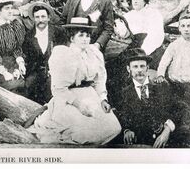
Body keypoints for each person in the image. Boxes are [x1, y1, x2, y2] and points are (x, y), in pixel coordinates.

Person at [27, 17, 121, 145]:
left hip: (90, 95)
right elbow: (58, 89)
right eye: (80, 35)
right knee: (84, 131)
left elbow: (99, 80)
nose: (85, 39)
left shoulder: (94, 53)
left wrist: (103, 98)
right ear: (72, 38)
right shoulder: (63, 54)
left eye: (87, 36)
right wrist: (79, 105)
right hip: (68, 99)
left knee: (113, 128)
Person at [155, 13, 190, 147]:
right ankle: (177, 138)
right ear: (179, 29)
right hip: (177, 85)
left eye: (189, 26)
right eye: (183, 26)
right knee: (177, 111)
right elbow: (164, 62)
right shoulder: (174, 45)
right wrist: (160, 75)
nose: (186, 29)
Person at [116, 48, 180, 148]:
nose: (139, 70)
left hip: (163, 141)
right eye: (135, 67)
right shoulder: (124, 93)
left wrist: (167, 129)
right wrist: (127, 130)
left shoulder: (161, 87)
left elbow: (178, 110)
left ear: (147, 68)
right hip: (139, 143)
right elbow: (122, 115)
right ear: (129, 69)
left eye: (142, 66)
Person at [23, 2, 66, 104]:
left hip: (55, 71)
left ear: (49, 18)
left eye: (43, 16)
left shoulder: (58, 32)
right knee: (28, 86)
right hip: (36, 72)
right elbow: (27, 57)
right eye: (37, 17)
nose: (40, 20)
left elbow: (64, 53)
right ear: (33, 18)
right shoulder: (29, 36)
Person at [116, 0, 165, 69]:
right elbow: (125, 34)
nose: (135, 1)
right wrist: (118, 22)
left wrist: (142, 52)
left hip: (151, 47)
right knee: (117, 67)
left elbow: (156, 36)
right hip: (135, 45)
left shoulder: (154, 14)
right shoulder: (129, 15)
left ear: (145, 0)